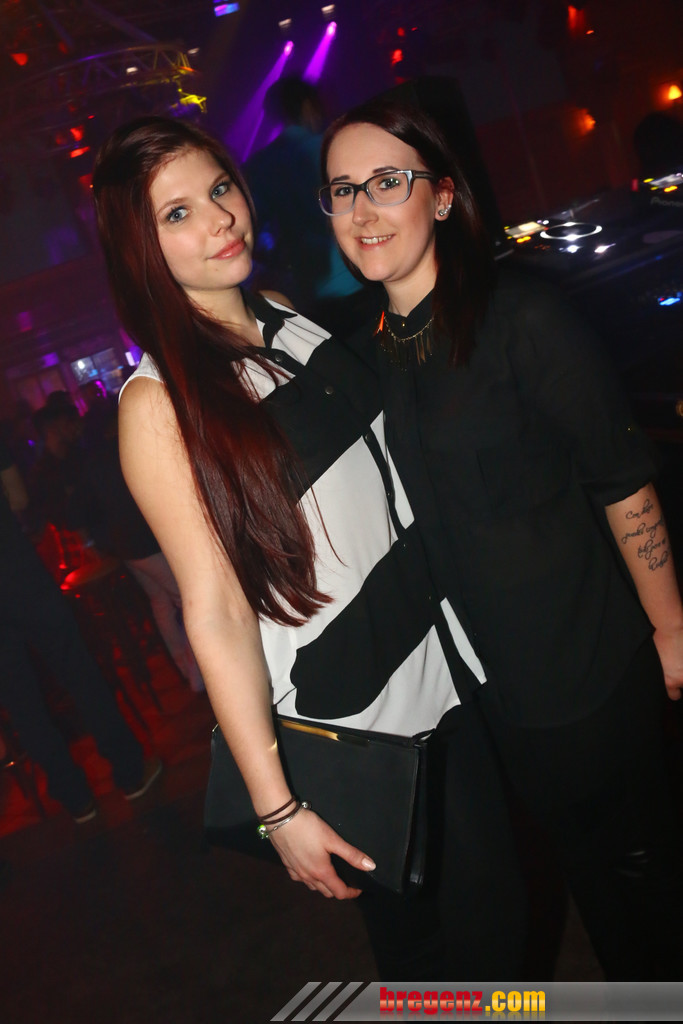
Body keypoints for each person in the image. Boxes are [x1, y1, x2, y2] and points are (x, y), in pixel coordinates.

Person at [92, 115, 527, 980]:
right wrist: (277, 807)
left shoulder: (284, 315)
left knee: (500, 925)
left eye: (219, 188)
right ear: (139, 250)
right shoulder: (158, 404)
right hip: (363, 720)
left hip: (446, 659)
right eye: (176, 214)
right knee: (443, 962)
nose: (219, 218)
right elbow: (213, 611)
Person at [320, 96, 683, 980]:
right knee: (586, 884)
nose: (363, 209)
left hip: (589, 669)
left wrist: (670, 627)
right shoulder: (368, 355)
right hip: (491, 698)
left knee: (646, 883)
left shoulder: (520, 318)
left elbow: (620, 478)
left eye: (387, 182)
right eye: (342, 190)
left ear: (441, 196)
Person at [0, 441, 162, 822]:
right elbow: (19, 498)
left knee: (20, 700)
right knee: (76, 669)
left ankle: (75, 800)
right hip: (16, 569)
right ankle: (130, 772)